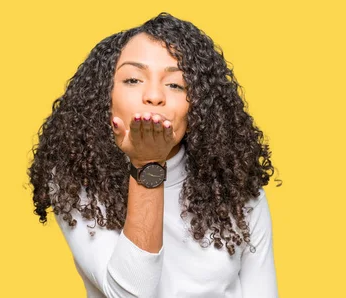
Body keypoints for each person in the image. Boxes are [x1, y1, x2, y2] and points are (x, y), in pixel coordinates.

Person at [28, 12, 281, 298]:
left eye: (175, 84)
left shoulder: (236, 184)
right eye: (133, 79)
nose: (154, 95)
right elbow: (129, 294)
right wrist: (147, 164)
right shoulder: (74, 180)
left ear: (198, 106)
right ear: (104, 97)